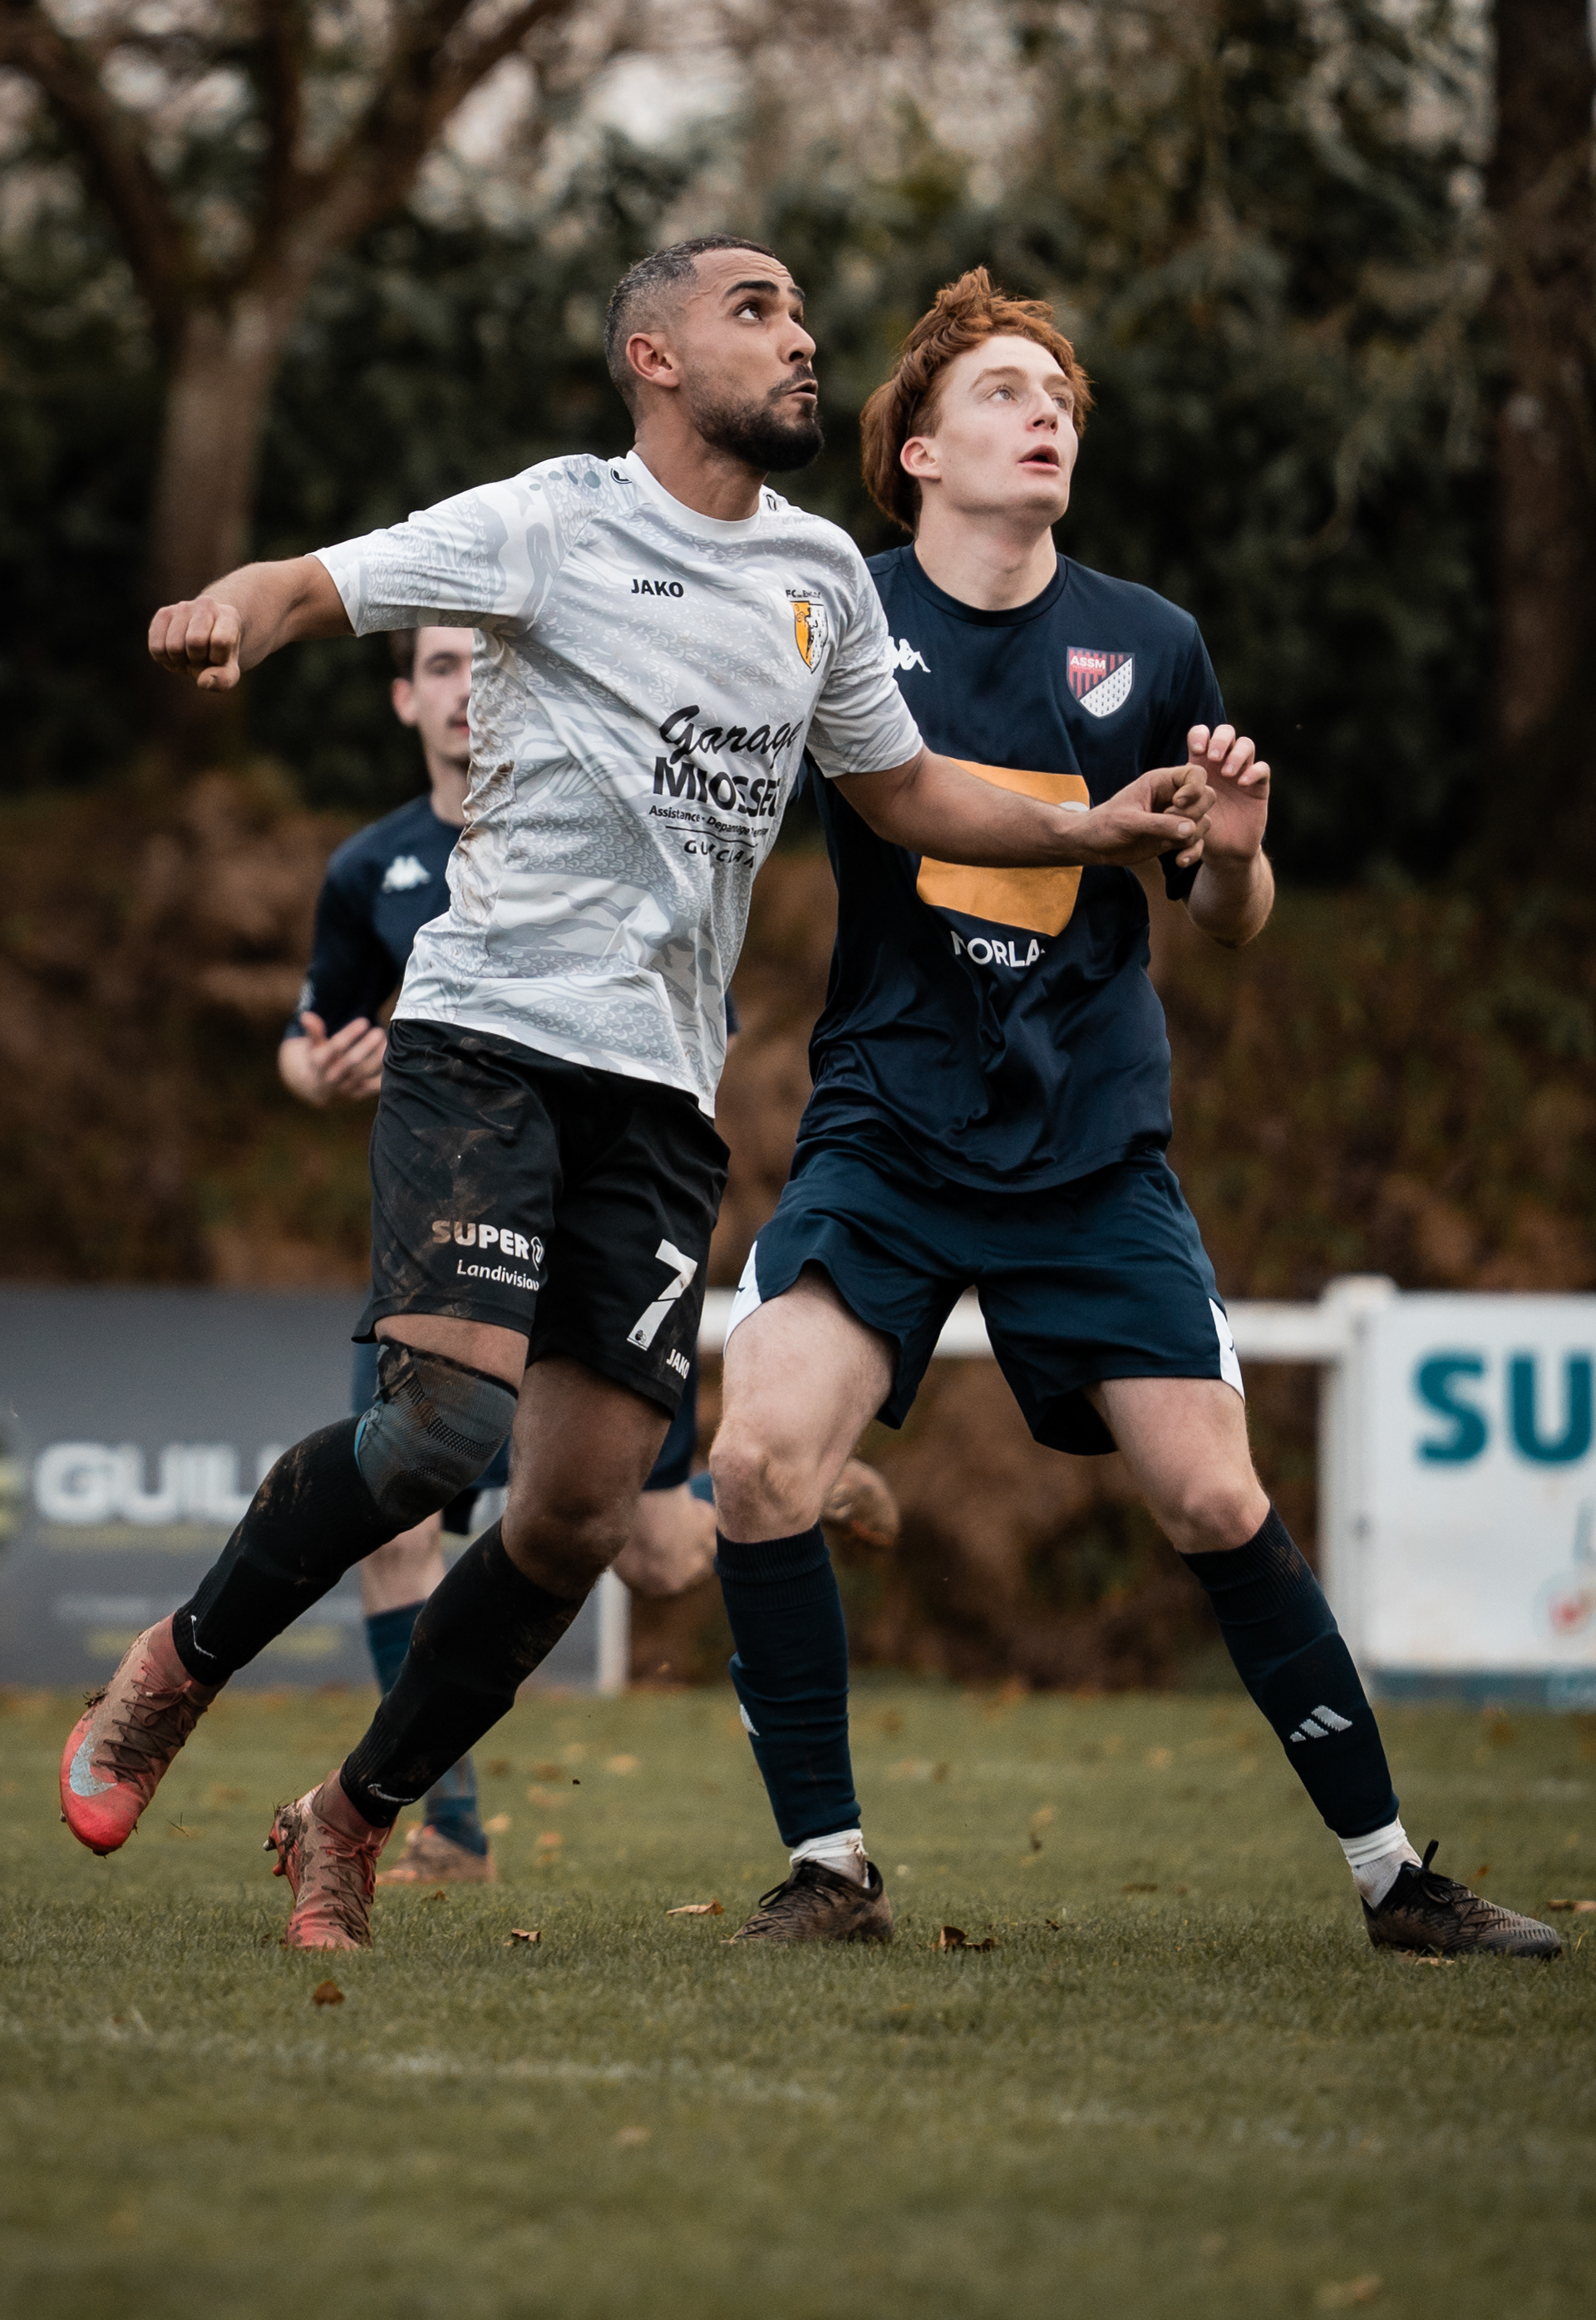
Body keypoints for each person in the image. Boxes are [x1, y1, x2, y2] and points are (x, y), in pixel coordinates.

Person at [60, 235, 1200, 1952]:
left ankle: (350, 1818)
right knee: (442, 1432)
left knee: (582, 1511)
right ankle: (169, 1676)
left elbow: (898, 791)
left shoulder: (822, 573)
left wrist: (1084, 828)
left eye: (801, 312)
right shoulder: (553, 519)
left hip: (662, 1093)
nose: (801, 338)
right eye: (757, 312)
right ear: (654, 359)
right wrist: (236, 609)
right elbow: (319, 579)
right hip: (488, 1038)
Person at [707, 268, 1559, 1962]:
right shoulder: (835, 612)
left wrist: (1233, 854)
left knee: (1216, 1501)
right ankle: (831, 1870)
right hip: (886, 1126)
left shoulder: (1152, 640)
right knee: (756, 1459)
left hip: (1089, 1143)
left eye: (1062, 401)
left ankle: (1396, 1877)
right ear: (919, 451)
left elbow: (1225, 919)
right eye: (1007, 393)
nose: (1047, 416)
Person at [284, 621, 894, 1887]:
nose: (465, 687)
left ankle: (787, 1482)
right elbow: (312, 1031)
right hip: (452, 1240)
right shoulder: (372, 869)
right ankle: (445, 1828)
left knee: (659, 1555)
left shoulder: (620, 827)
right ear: (403, 698)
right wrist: (323, 1069)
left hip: (605, 1232)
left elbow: (691, 1020)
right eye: (438, 666)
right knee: (395, 1522)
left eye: (483, 661)